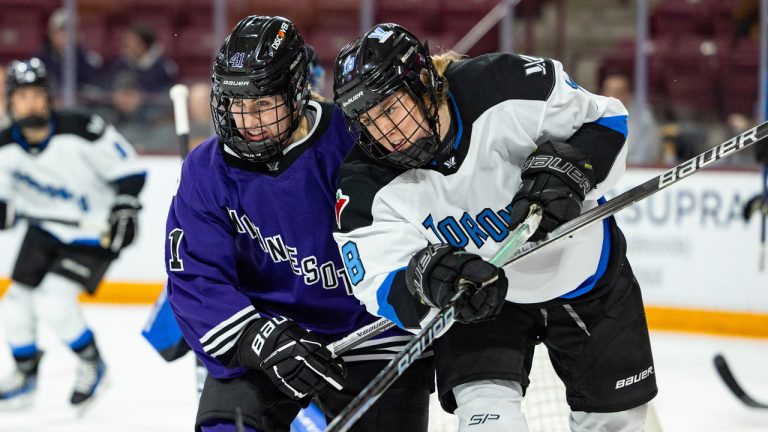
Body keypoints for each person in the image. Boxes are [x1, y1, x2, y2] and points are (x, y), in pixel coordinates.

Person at [332, 23, 657, 431]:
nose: (385, 133)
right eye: (369, 119)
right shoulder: (365, 181)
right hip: (480, 305)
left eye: (391, 109)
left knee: (617, 423)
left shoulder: (504, 83)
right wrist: (431, 278)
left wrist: (569, 169)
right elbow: (378, 281)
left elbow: (607, 123)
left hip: (585, 277)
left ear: (423, 86)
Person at [165, 16, 433, 432]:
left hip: (372, 335)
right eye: (238, 106)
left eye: (261, 105)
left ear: (294, 92)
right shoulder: (206, 171)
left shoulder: (354, 140)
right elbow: (196, 277)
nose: (248, 123)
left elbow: (413, 230)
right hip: (268, 335)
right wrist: (257, 337)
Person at [0, 58, 146, 407]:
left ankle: (92, 364)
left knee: (53, 301)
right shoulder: (3, 146)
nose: (30, 103)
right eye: (22, 97)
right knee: (14, 303)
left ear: (49, 98)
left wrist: (125, 204)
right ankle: (25, 375)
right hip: (45, 229)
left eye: (37, 95)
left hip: (94, 231)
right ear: (10, 102)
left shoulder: (81, 127)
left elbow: (131, 170)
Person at [34, 7, 104, 94]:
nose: (66, 36)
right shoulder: (39, 60)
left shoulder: (86, 58)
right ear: (51, 33)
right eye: (61, 31)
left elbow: (93, 86)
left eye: (71, 31)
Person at [600, 72, 661, 165]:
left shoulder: (643, 119)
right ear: (603, 93)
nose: (614, 97)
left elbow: (645, 158)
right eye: (611, 92)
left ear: (629, 94)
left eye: (620, 92)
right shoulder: (593, 117)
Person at [103, 22, 178, 95]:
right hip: (117, 107)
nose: (125, 44)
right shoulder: (119, 63)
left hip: (152, 106)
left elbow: (165, 94)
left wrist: (140, 97)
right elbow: (107, 87)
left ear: (143, 44)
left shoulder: (164, 67)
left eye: (131, 40)